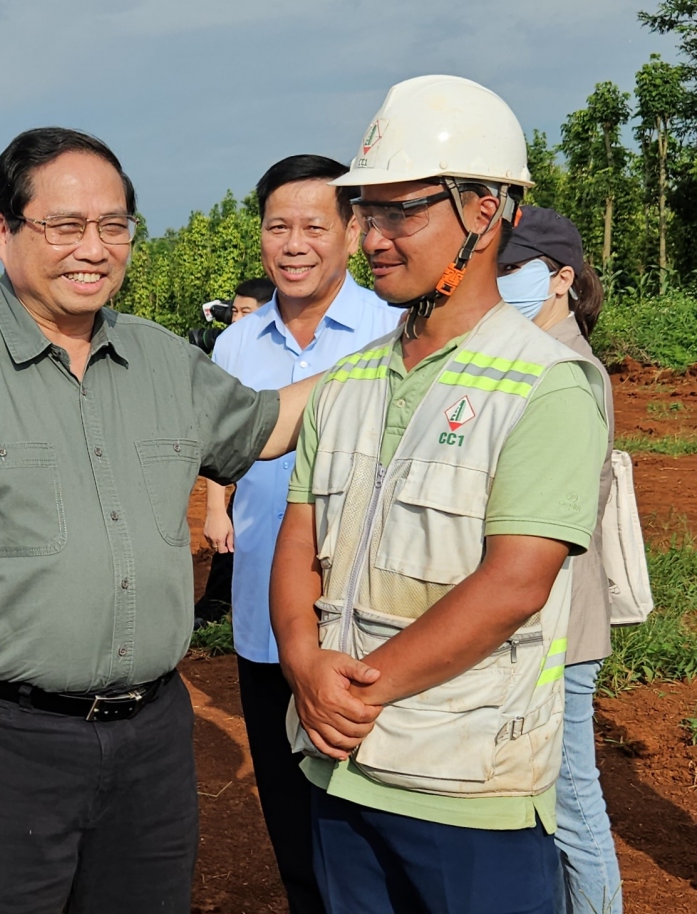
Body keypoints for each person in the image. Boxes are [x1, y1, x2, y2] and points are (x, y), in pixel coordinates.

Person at [0, 126, 317, 914]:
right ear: (3, 230)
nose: (92, 249)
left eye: (114, 226)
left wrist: (412, 346)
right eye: (65, 226)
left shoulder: (167, 363)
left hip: (152, 742)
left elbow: (272, 422)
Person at [270, 76, 608, 914]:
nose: (373, 239)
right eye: (364, 214)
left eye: (401, 212)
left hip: (465, 787)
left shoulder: (547, 386)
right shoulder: (346, 382)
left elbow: (515, 583)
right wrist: (305, 666)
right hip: (340, 768)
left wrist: (354, 688)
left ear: (484, 211)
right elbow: (298, 539)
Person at [202, 154, 396, 913]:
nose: (294, 244)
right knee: (292, 828)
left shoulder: (396, 329)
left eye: (315, 226)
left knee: (374, 830)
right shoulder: (235, 348)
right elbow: (221, 455)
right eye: (278, 226)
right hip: (261, 625)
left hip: (369, 627)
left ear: (353, 231)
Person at [498, 206, 622, 914]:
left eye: (516, 269)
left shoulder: (571, 369)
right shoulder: (531, 357)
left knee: (571, 801)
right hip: (538, 619)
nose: (503, 280)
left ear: (560, 279)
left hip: (562, 626)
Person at [195, 275, 275, 627]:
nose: (236, 319)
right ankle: (215, 609)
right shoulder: (229, 353)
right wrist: (214, 508)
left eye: (246, 312)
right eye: (235, 311)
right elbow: (219, 435)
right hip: (246, 482)